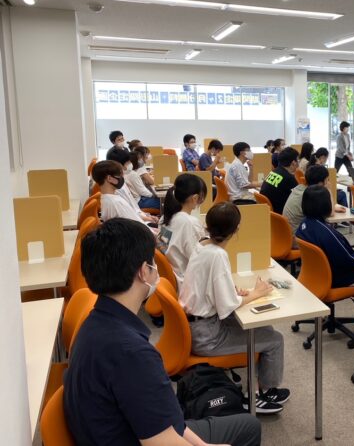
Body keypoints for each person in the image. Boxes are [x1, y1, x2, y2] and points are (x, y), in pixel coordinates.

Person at [64, 218, 261, 445]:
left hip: (125, 428)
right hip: (141, 438)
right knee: (249, 428)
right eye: (152, 262)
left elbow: (168, 423)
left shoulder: (95, 322)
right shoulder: (133, 354)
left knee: (247, 425)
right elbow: (162, 441)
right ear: (143, 272)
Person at [180, 203, 290, 415]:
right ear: (236, 229)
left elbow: (207, 284)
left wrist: (231, 290)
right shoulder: (218, 255)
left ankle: (261, 389)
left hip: (197, 324)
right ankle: (259, 396)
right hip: (208, 336)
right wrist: (256, 293)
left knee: (265, 329)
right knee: (276, 340)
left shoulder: (202, 245)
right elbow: (227, 307)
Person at [296, 185, 354, 287]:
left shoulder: (304, 224)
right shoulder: (327, 233)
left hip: (317, 274)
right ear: (325, 205)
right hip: (340, 278)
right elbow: (349, 260)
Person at [157, 173, 207, 286]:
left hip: (171, 277)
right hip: (187, 282)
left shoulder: (165, 217)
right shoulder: (189, 222)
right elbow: (198, 260)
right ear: (195, 198)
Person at [92, 160, 157, 227]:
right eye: (120, 175)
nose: (123, 178)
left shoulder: (109, 199)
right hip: (141, 230)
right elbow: (134, 226)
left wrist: (147, 219)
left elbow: (132, 218)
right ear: (110, 178)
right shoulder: (115, 202)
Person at [283, 164, 330, 242]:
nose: (328, 182)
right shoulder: (310, 195)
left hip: (288, 236)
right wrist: (328, 190)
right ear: (320, 183)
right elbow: (330, 213)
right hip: (298, 240)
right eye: (327, 180)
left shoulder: (299, 188)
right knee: (327, 237)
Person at [259, 147, 299, 214]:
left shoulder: (273, 172)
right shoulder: (289, 178)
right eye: (298, 160)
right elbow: (298, 200)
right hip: (281, 212)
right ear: (293, 163)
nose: (298, 162)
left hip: (269, 212)